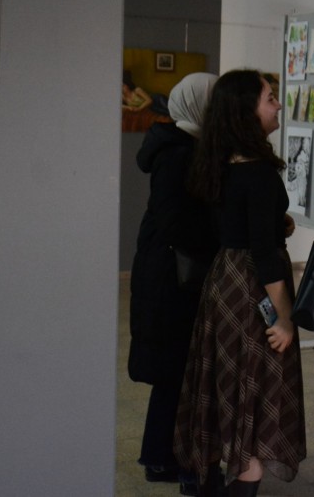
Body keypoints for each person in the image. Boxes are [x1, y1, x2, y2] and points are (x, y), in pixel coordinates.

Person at [174, 69, 306, 497]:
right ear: (246, 111)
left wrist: (274, 222)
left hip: (223, 284)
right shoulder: (259, 174)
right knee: (253, 401)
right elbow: (264, 258)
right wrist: (284, 318)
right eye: (270, 98)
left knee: (227, 394)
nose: (278, 104)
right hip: (252, 291)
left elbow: (235, 225)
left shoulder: (220, 162)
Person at [128, 72, 219, 496]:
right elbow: (176, 222)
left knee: (174, 371)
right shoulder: (180, 154)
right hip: (172, 277)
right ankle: (172, 458)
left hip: (166, 271)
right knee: (179, 369)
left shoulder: (180, 147)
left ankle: (159, 456)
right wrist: (219, 235)